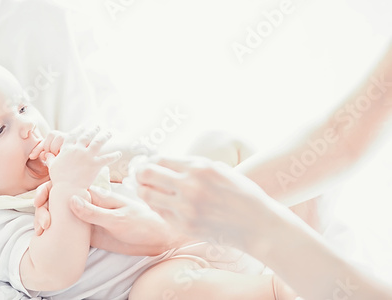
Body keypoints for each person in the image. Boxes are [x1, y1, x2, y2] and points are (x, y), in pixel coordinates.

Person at [0, 55, 301, 299]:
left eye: (22, 108)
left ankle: (305, 227)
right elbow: (51, 275)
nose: (27, 128)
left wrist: (97, 155)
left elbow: (142, 163)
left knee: (221, 144)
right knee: (153, 293)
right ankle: (282, 290)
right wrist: (68, 190)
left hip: (191, 224)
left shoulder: (65, 155)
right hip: (174, 277)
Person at [118, 44, 392, 300]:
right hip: (190, 231)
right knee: (219, 142)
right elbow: (343, 138)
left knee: (153, 291)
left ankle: (280, 283)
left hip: (190, 257)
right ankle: (297, 229)